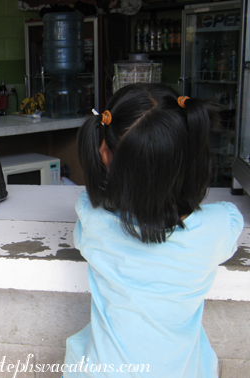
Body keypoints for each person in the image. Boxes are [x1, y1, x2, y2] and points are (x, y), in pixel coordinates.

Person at [64, 83, 243, 377]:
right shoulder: (219, 225)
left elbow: (90, 200)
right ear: (189, 160)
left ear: (104, 154)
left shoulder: (92, 219)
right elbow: (230, 220)